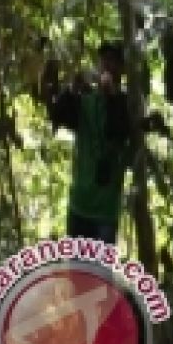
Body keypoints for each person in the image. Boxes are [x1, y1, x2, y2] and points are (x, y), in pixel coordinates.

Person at [42, 42, 136, 244]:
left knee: (98, 274)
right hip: (79, 206)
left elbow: (118, 130)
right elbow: (57, 115)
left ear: (121, 69)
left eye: (113, 61)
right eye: (104, 60)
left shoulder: (126, 103)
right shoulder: (87, 100)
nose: (108, 65)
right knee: (78, 272)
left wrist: (111, 95)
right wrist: (71, 89)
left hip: (104, 213)